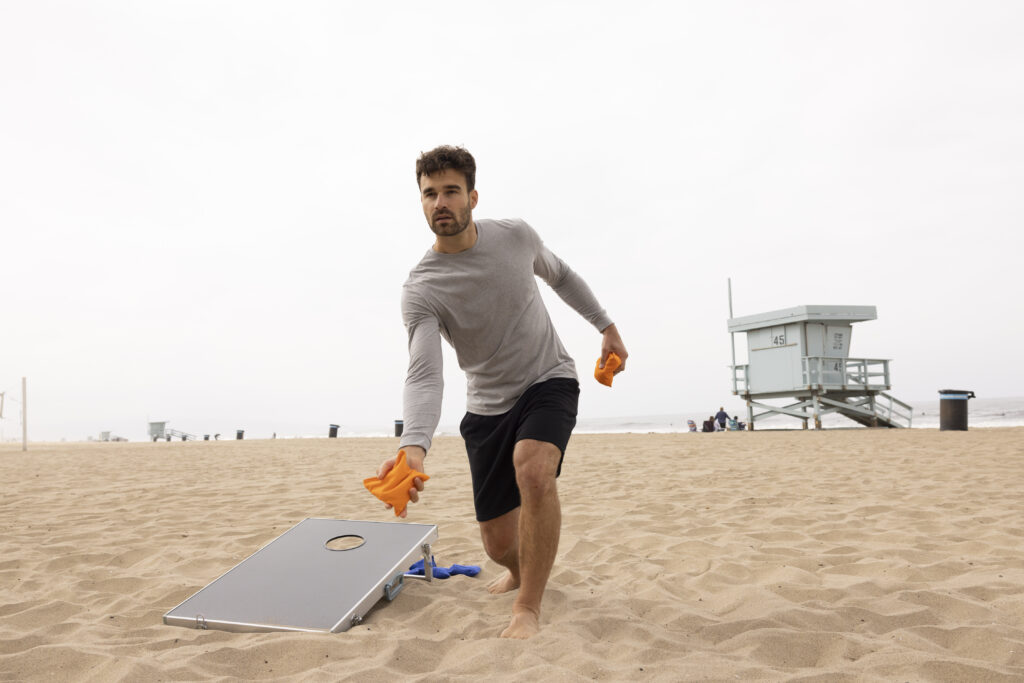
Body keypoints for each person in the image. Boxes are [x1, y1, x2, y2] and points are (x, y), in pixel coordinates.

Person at [371, 145, 627, 639]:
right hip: (487, 406)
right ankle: (521, 569)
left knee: (533, 470)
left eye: (450, 191)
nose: (440, 202)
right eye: (429, 194)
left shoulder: (515, 236)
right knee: (497, 546)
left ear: (473, 196)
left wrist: (607, 326)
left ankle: (528, 607)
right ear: (420, 203)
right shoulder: (421, 289)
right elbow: (425, 373)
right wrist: (413, 447)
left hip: (548, 378)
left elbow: (561, 275)